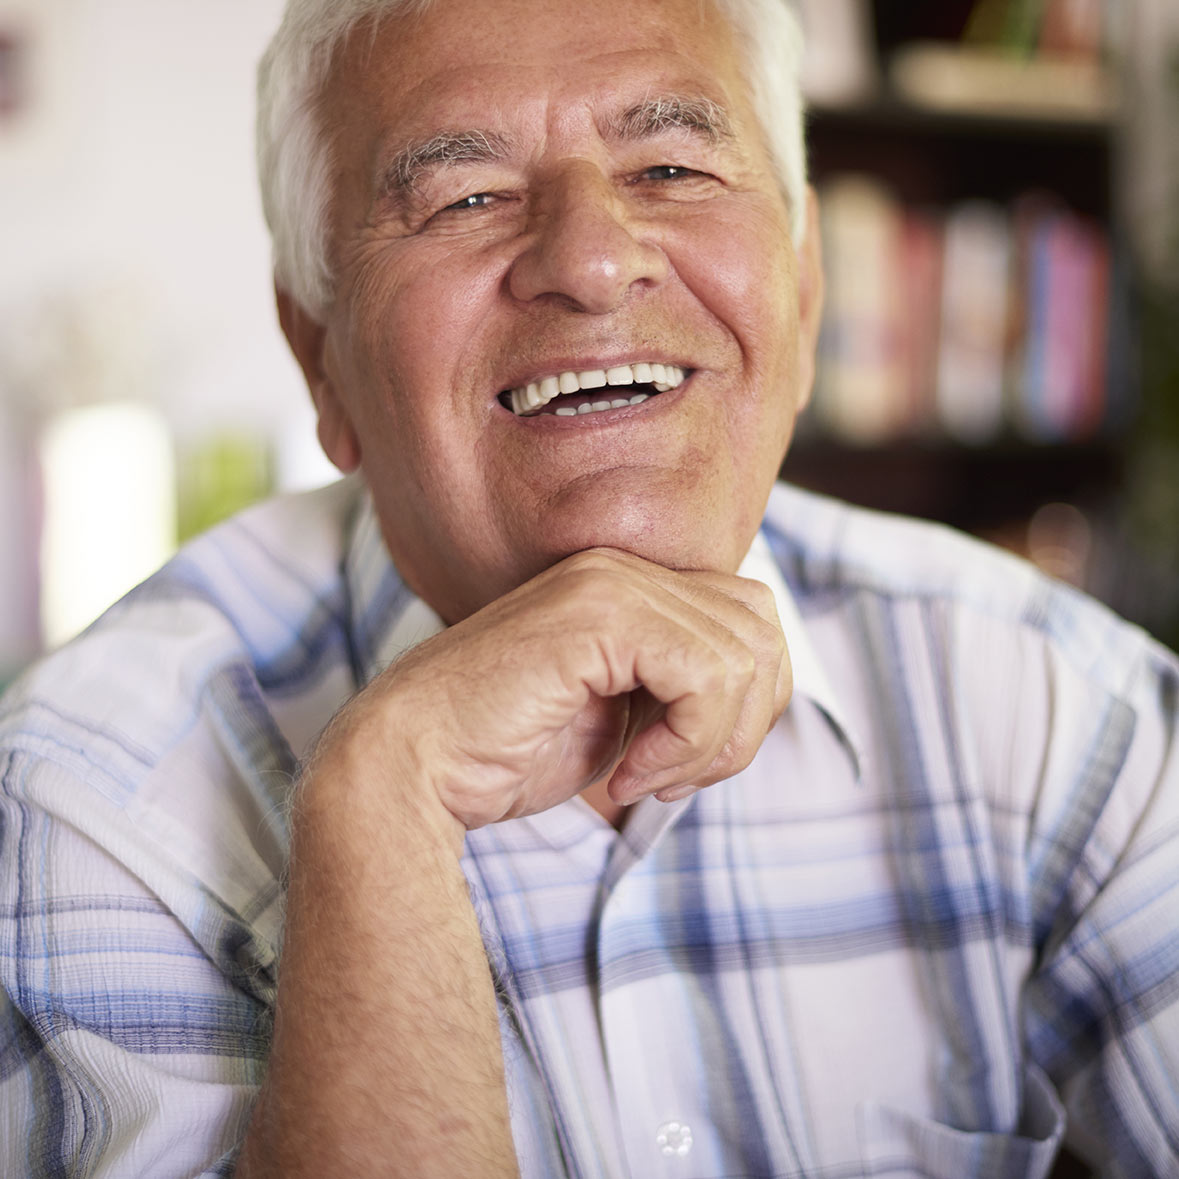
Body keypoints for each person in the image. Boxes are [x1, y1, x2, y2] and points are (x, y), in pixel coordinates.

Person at [1, 0, 1177, 1174]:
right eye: (467, 197)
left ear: (807, 288)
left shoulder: (1060, 701)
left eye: (670, 165)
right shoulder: (81, 794)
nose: (594, 258)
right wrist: (384, 797)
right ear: (322, 356)